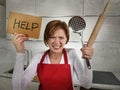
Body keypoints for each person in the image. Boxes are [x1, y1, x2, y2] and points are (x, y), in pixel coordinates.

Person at [12, 20, 94, 90]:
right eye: (52, 37)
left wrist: (87, 59)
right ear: (47, 39)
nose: (57, 42)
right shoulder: (39, 57)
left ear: (66, 39)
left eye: (61, 38)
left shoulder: (71, 54)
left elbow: (86, 84)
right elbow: (18, 88)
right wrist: (20, 53)